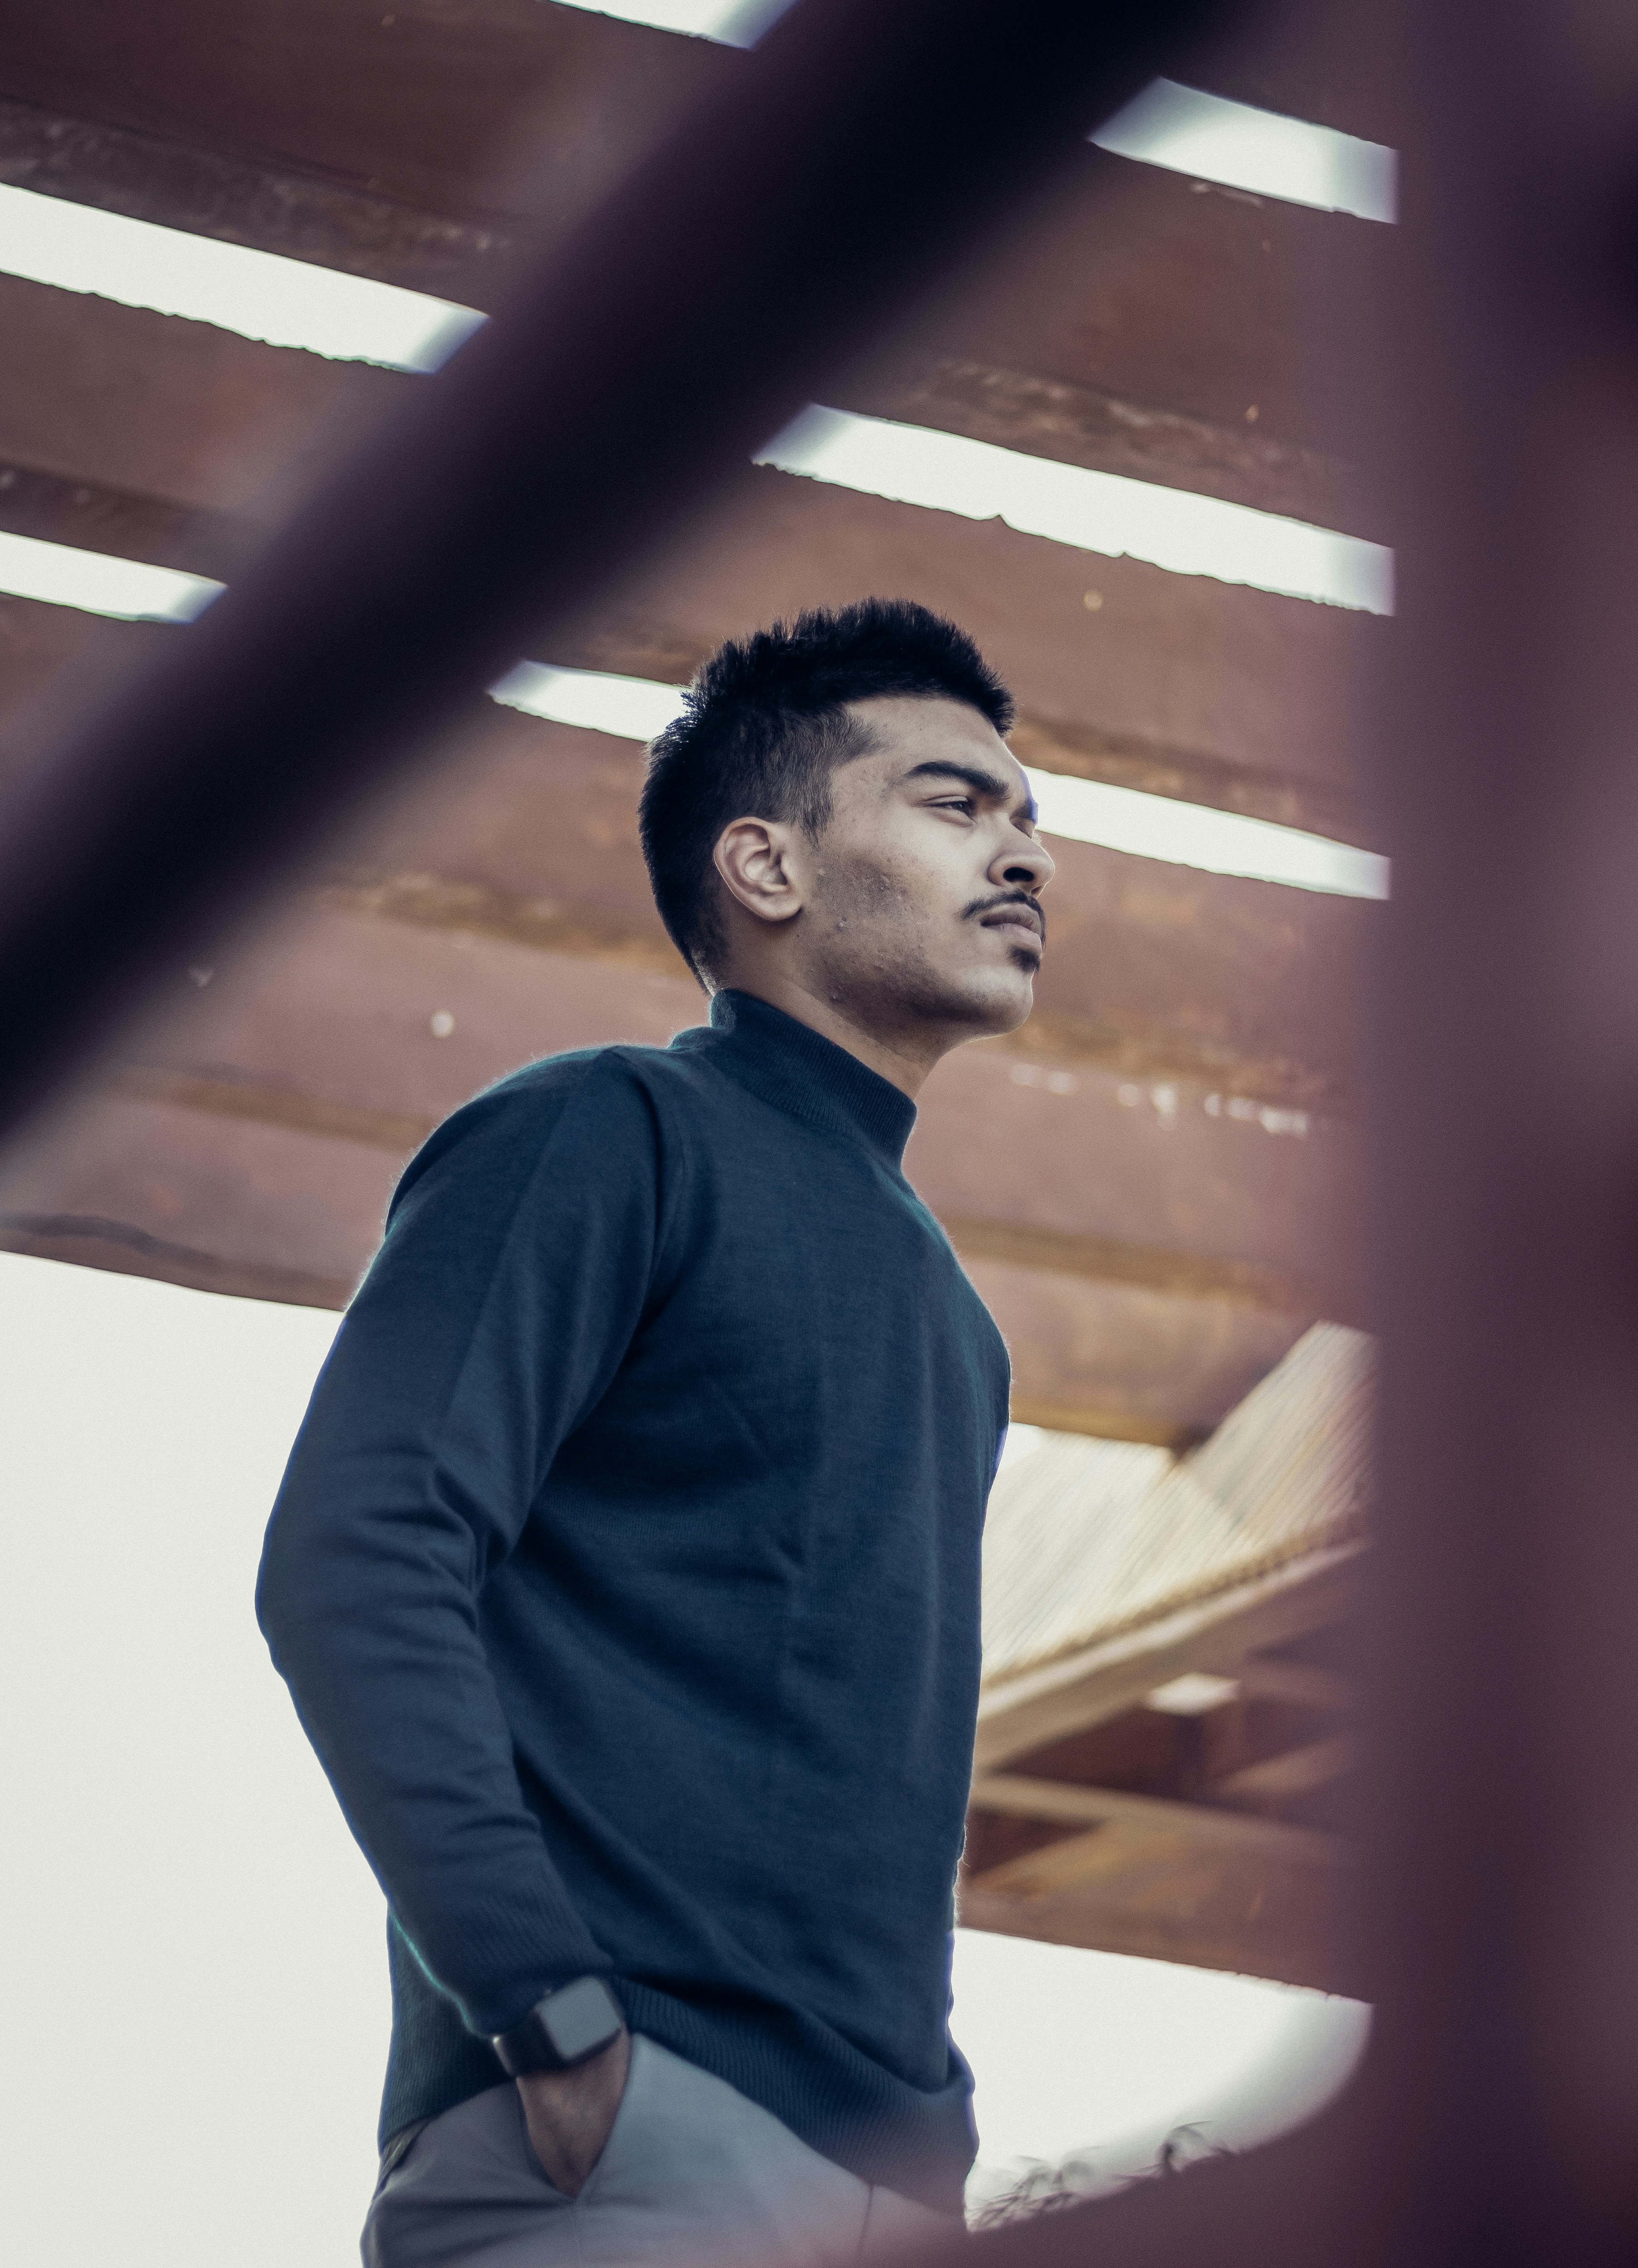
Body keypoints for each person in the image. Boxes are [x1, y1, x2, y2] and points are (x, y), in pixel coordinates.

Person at [256, 597, 1056, 2267]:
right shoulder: (606, 1133)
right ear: (765, 868)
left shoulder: (960, 1331)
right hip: (622, 2149)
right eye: (953, 802)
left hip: (887, 2184)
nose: (1023, 853)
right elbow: (356, 1550)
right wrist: (545, 2011)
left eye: (1027, 817)